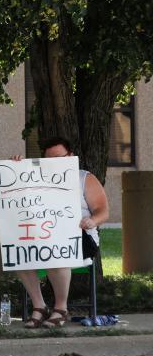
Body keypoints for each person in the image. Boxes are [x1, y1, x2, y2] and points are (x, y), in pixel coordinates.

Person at [13, 136, 109, 329]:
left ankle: (61, 308)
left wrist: (92, 221)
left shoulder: (84, 178)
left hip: (81, 236)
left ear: (71, 156)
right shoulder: (35, 178)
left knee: (55, 248)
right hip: (43, 234)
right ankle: (39, 307)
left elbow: (103, 210)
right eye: (49, 160)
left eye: (60, 158)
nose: (54, 164)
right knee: (18, 251)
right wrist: (16, 170)